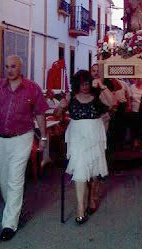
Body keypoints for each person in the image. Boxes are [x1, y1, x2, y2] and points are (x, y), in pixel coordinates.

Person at [0, 55, 48, 241]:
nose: (9, 70)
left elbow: (40, 113)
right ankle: (14, 208)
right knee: (4, 178)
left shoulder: (32, 88)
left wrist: (43, 136)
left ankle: (9, 224)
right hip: (1, 138)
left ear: (20, 68)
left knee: (15, 179)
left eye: (13, 67)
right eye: (7, 67)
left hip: (22, 138)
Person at [56, 70, 114, 224]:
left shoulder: (97, 97)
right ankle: (80, 209)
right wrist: (61, 107)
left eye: (87, 83)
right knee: (80, 170)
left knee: (94, 172)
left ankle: (93, 198)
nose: (85, 87)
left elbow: (112, 103)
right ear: (77, 84)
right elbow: (59, 117)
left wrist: (101, 86)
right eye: (82, 84)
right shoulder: (71, 98)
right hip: (77, 137)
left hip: (95, 136)